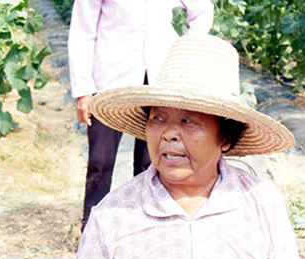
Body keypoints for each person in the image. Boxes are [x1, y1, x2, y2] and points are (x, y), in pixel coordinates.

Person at [61, 35, 305, 259]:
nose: (169, 134)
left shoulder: (260, 204)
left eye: (189, 121)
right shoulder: (115, 213)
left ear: (226, 137)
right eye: (158, 118)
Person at [68, 0, 214, 230]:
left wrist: (186, 48)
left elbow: (202, 10)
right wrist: (83, 90)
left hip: (158, 79)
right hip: (110, 79)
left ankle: (148, 223)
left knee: (152, 160)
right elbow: (82, 30)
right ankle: (92, 226)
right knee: (101, 159)